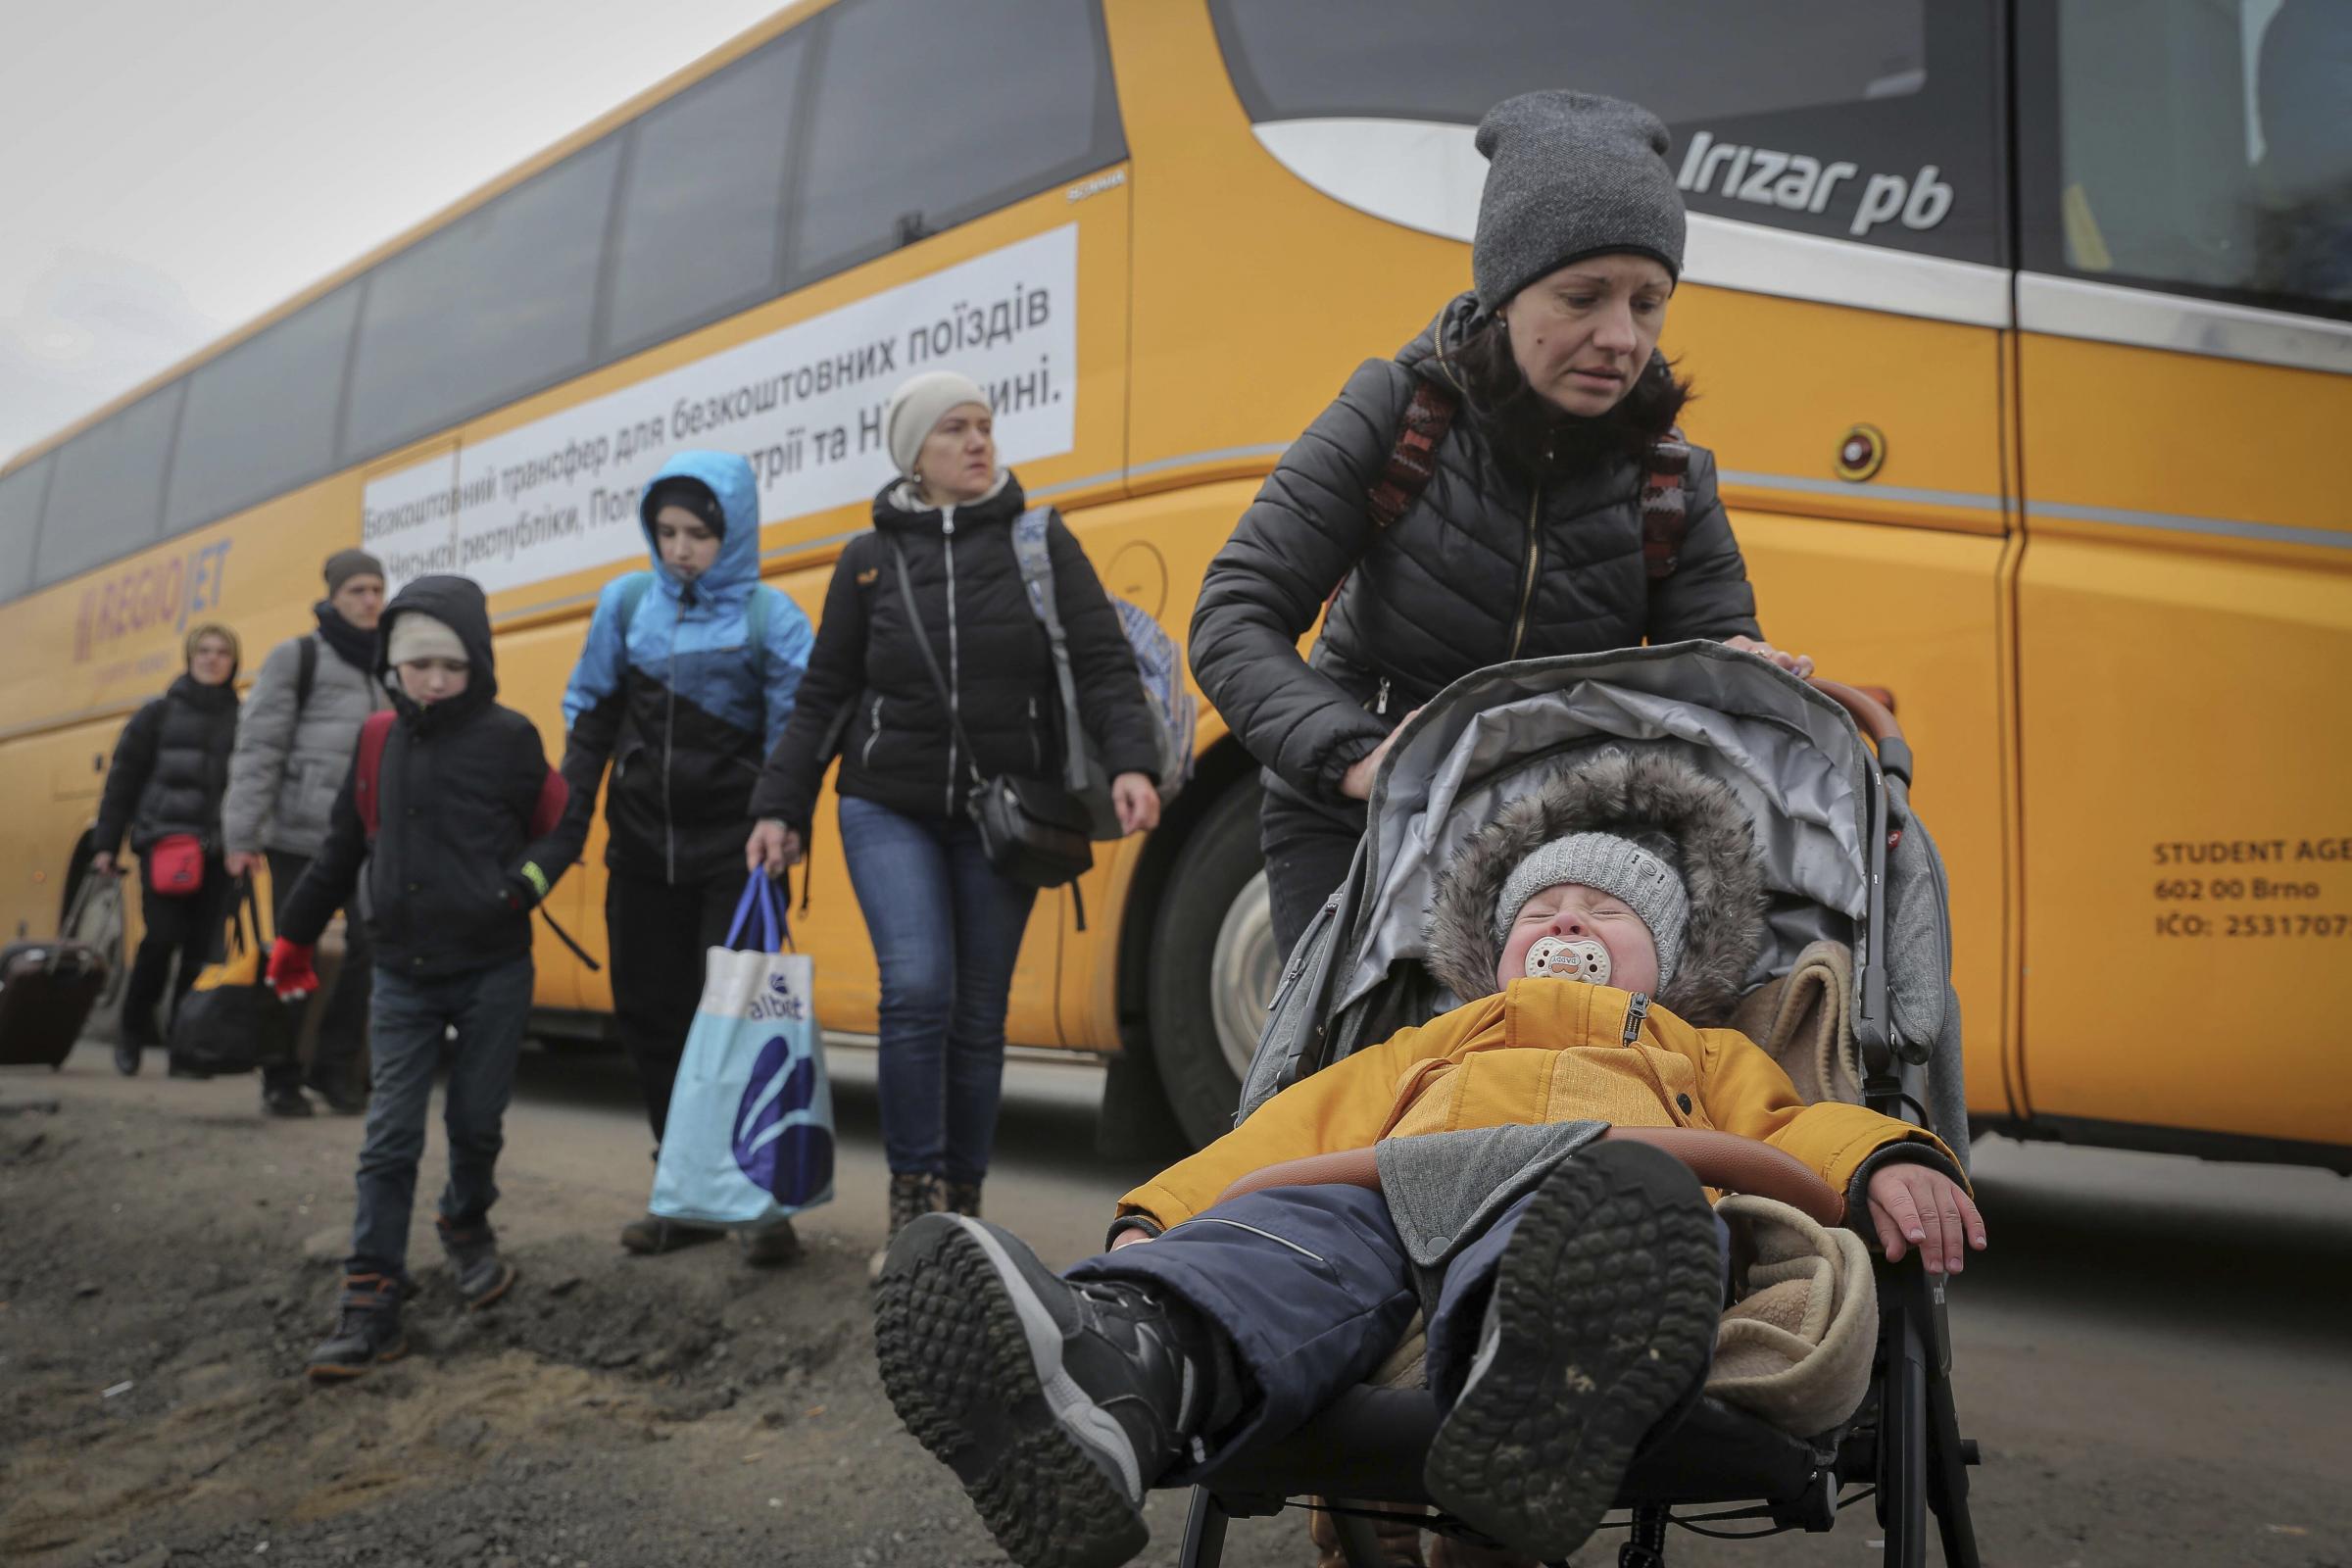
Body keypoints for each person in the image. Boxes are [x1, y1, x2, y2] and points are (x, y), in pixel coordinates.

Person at [872, 752, 1984, 1568]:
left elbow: (1791, 1131)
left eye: (1605, 911)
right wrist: (1160, 1217)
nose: (1567, 922)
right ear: (1489, 954)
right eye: (1539, 910)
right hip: (1389, 1201)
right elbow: (1286, 1135)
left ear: (1673, 957)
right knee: (1279, 1236)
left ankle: (1539, 1370)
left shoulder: (1701, 1048)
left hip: (1593, 1187)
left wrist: (1888, 1153)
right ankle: (1125, 1364)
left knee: (1601, 1223)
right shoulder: (1428, 1042)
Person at [1189, 90, 1813, 957]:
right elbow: (1233, 614)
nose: (1620, 337)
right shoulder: (1395, 410)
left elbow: (1703, 682)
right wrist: (1357, 760)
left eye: (1647, 302)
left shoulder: (1671, 473)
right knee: (1343, 1087)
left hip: (1553, 841)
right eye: (1582, 297)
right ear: (1505, 293)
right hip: (1361, 820)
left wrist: (1737, 667)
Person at [747, 371, 1163, 1276]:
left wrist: (1132, 760)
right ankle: (912, 1198)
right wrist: (780, 807)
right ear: (915, 453)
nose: (979, 442)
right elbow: (825, 694)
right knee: (918, 989)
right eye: (955, 430)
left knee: (978, 1015)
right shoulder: (866, 560)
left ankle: (963, 1207)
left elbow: (1100, 662)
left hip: (1004, 817)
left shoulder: (1038, 540)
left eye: (985, 426)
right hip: (884, 804)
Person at [263, 575, 576, 1383]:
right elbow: (339, 852)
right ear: (392, 666)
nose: (434, 680)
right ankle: (369, 1301)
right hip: (400, 975)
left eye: (452, 665)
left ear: (478, 663)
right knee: (389, 1138)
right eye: (416, 664)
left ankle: (466, 1225)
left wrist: (521, 890)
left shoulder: (510, 739)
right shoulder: (375, 741)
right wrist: (292, 939)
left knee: (476, 1122)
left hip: (494, 971)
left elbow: (559, 829)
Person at [553, 450, 814, 1266]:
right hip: (639, 853)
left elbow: (795, 738)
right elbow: (591, 720)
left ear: (730, 533)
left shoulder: (775, 619)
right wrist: (563, 833)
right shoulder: (626, 605)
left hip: (736, 857)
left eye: (698, 533)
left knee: (736, 1022)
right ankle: (683, 1191)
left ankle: (760, 1204)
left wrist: (783, 818)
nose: (679, 549)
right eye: (665, 531)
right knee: (651, 1017)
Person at [220, 548, 390, 1116]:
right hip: (298, 835)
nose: (370, 601)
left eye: (376, 590)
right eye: (358, 591)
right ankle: (281, 1071)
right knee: (295, 952)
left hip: (366, 838)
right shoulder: (297, 657)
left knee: (371, 948)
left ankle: (335, 1067)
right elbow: (260, 746)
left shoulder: (391, 662)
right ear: (333, 597)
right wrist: (242, 836)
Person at [91, 623, 241, 1079]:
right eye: (204, 651)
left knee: (201, 953)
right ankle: (132, 1033)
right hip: (166, 848)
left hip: (218, 853)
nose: (213, 659)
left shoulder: (246, 719)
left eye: (222, 652)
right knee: (158, 943)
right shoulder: (155, 715)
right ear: (190, 657)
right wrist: (105, 845)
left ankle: (186, 1047)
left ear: (234, 662)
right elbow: (122, 783)